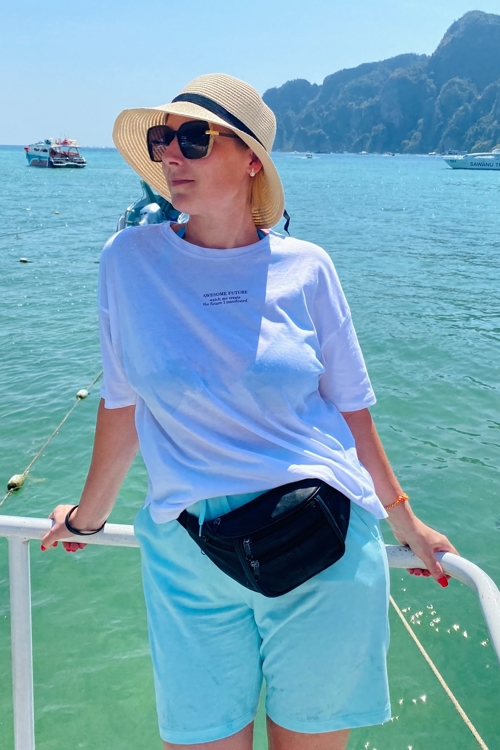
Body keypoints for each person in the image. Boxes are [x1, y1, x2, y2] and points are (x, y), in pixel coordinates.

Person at [41, 73, 458, 750]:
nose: (171, 154)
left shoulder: (309, 268)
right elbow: (121, 405)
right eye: (163, 138)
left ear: (252, 160)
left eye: (195, 139)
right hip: (187, 552)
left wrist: (403, 520)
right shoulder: (128, 260)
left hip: (322, 542)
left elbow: (352, 408)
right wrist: (87, 518)